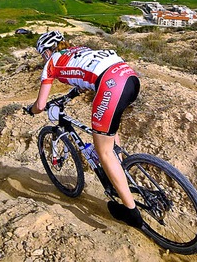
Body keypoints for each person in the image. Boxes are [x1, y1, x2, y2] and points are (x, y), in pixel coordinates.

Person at [24, 30, 143, 228]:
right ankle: (120, 174)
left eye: (42, 53)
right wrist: (71, 94)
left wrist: (31, 110)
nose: (43, 57)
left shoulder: (51, 63)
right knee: (110, 132)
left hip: (110, 84)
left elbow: (41, 105)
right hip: (129, 78)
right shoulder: (79, 51)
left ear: (46, 51)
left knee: (102, 151)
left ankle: (132, 213)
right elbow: (85, 77)